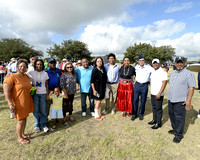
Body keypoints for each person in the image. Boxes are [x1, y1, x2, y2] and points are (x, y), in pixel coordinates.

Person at [3, 59, 34, 144]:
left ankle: (23, 134)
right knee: (21, 120)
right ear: (17, 67)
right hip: (18, 102)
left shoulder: (26, 76)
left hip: (26, 101)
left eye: (24, 67)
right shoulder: (11, 77)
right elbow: (6, 91)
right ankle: (19, 138)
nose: (22, 68)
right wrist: (10, 104)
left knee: (25, 118)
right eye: (20, 66)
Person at [168, 56, 195, 143]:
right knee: (172, 115)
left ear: (184, 63)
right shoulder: (173, 73)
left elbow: (191, 87)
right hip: (171, 99)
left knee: (179, 117)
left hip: (181, 100)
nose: (179, 64)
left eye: (181, 62)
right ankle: (175, 129)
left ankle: (179, 135)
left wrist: (188, 100)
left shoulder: (188, 73)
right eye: (177, 62)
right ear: (175, 64)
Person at [27, 59, 49, 133]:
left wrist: (47, 94)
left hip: (43, 93)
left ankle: (43, 125)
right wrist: (10, 74)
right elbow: (22, 74)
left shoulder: (45, 73)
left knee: (43, 110)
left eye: (40, 64)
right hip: (35, 94)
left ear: (42, 65)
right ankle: (37, 125)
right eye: (37, 64)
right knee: (36, 110)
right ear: (35, 65)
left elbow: (46, 84)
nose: (39, 66)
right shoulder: (31, 73)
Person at [131, 55, 153, 121]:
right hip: (137, 85)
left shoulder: (148, 67)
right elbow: (131, 72)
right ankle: (134, 114)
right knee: (135, 100)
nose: (141, 61)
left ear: (144, 61)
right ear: (138, 61)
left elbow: (155, 70)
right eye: (140, 60)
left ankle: (141, 114)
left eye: (142, 60)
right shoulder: (136, 67)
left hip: (144, 85)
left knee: (143, 101)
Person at [148, 59, 167, 129]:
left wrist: (159, 93)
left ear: (159, 63)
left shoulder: (163, 71)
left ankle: (158, 123)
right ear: (152, 64)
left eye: (156, 63)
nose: (155, 64)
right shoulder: (152, 71)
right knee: (154, 107)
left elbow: (164, 83)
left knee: (158, 108)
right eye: (154, 63)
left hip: (159, 93)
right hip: (152, 92)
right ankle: (154, 120)